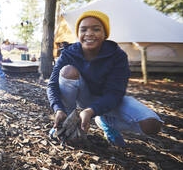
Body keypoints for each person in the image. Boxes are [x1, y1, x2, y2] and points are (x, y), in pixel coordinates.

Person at [47, 10, 162, 147]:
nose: (89, 33)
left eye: (96, 29)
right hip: (83, 97)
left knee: (152, 125)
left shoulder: (117, 56)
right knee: (68, 71)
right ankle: (65, 123)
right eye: (83, 29)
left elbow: (115, 93)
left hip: (109, 100)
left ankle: (105, 123)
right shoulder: (69, 53)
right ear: (78, 34)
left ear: (105, 34)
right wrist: (58, 109)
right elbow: (52, 84)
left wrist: (91, 111)